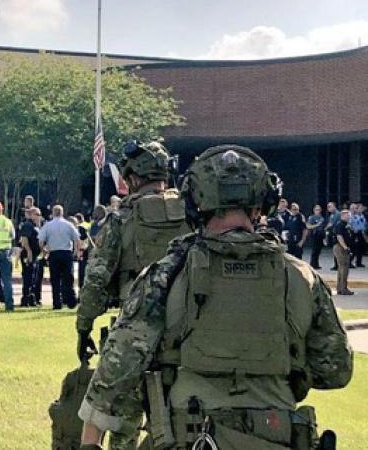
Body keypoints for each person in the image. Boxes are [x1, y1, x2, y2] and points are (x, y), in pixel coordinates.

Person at [78, 145, 353, 449]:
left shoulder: (166, 274)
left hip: (191, 435)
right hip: (279, 434)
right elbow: (336, 370)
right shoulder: (301, 277)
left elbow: (117, 367)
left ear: (195, 202)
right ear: (262, 205)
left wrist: (91, 441)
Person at [75, 140, 190, 449]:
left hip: (134, 332)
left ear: (133, 177)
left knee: (124, 422)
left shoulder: (122, 218)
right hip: (190, 334)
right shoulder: (194, 214)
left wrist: (83, 327)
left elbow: (96, 282)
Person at [39, 205, 81, 310]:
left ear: (53, 213)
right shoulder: (68, 225)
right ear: (62, 213)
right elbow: (77, 239)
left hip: (53, 254)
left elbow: (40, 240)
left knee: (55, 279)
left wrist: (43, 250)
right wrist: (76, 251)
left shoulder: (48, 226)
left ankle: (57, 303)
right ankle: (71, 301)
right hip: (66, 253)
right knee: (68, 278)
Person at [18, 207, 44, 307]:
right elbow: (24, 239)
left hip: (35, 255)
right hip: (28, 254)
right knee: (28, 277)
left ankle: (31, 299)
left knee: (33, 277)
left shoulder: (36, 226)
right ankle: (25, 299)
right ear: (32, 215)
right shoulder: (28, 225)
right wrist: (29, 252)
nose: (39, 217)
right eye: (37, 214)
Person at [333, 209, 355, 295]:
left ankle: (340, 288)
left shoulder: (346, 225)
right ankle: (343, 288)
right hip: (340, 247)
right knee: (344, 268)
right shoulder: (340, 225)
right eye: (347, 215)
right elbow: (339, 237)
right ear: (342, 216)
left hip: (343, 247)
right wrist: (345, 247)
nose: (349, 217)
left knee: (341, 268)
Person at [306, 204, 326, 269]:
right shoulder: (311, 218)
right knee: (314, 251)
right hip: (315, 235)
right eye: (317, 210)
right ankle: (312, 264)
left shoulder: (321, 218)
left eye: (319, 210)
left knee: (318, 251)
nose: (318, 211)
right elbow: (308, 226)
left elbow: (323, 227)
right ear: (314, 210)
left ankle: (316, 264)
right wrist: (316, 225)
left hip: (321, 236)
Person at [348, 202, 366, 267]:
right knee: (352, 248)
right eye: (354, 208)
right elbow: (349, 225)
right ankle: (349, 262)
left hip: (360, 232)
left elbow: (362, 224)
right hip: (353, 233)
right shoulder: (350, 215)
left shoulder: (361, 215)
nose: (355, 209)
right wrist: (353, 229)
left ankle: (359, 262)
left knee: (360, 248)